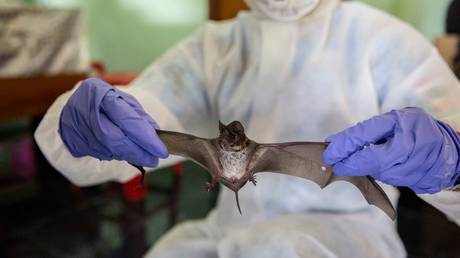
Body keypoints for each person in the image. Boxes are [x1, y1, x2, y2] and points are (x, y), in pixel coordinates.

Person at [35, 0, 460, 257]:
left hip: (348, 236)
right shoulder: (214, 46)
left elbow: (451, 121)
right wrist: (89, 125)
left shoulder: (382, 39)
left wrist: (451, 156)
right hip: (226, 233)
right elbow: (150, 110)